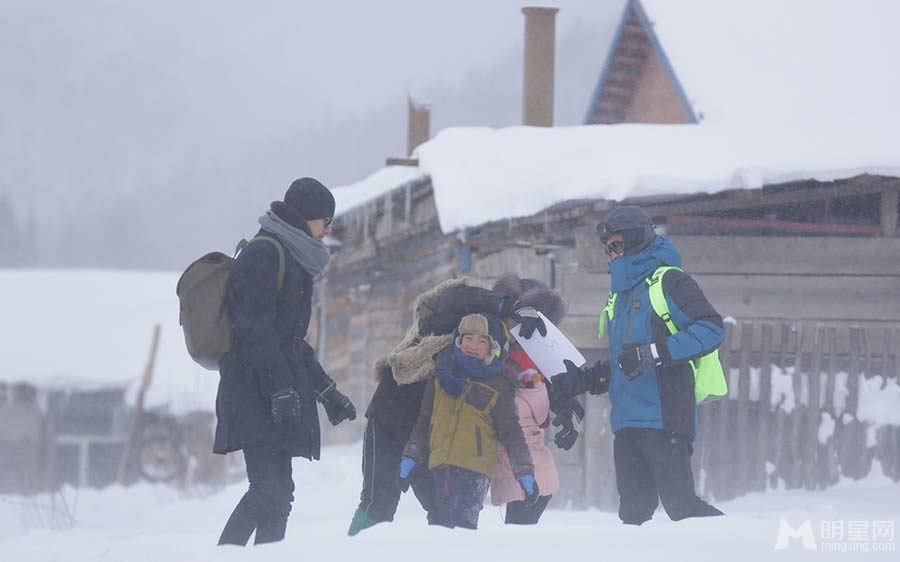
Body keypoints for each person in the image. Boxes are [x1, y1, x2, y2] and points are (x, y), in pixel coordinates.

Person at [347, 274, 572, 536]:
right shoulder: (468, 318)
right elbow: (455, 296)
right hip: (391, 415)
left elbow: (542, 379)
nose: (520, 335)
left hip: (436, 435)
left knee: (445, 515)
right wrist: (508, 306)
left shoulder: (500, 353)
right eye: (522, 323)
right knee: (379, 504)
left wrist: (569, 406)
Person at [550, 205, 724, 525]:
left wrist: (652, 353)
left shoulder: (669, 282)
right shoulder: (622, 295)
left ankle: (738, 544)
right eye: (608, 248)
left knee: (681, 507)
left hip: (665, 416)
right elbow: (626, 360)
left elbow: (711, 328)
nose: (612, 254)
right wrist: (588, 379)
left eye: (616, 245)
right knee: (633, 515)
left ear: (635, 239)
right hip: (628, 421)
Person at [214, 177, 357, 546]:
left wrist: (327, 391)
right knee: (267, 491)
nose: (329, 228)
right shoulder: (265, 254)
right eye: (325, 219)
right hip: (251, 393)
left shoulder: (294, 259)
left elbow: (290, 343)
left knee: (280, 496)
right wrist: (279, 387)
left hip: (275, 395)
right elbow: (253, 330)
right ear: (305, 216)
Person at [398, 313, 538, 530]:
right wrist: (410, 457)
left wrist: (524, 472)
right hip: (440, 465)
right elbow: (425, 422)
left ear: (493, 347)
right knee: (440, 526)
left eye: (482, 340)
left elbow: (511, 432)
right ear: (458, 340)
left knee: (463, 529)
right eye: (468, 338)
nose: (473, 345)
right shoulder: (440, 377)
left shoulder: (498, 384)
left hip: (474, 470)